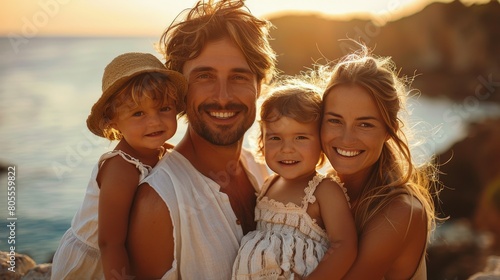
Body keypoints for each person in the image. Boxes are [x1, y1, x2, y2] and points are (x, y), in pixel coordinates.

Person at [125, 0, 277, 279]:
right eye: (204, 76)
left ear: (259, 86)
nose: (222, 96)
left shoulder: (264, 173)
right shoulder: (160, 203)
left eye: (239, 77)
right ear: (179, 91)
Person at [51, 52, 187, 280]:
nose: (154, 121)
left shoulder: (161, 152)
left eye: (164, 109)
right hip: (98, 262)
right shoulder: (121, 168)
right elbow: (110, 243)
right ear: (113, 121)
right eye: (138, 113)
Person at [320, 45, 442, 279]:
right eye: (335, 121)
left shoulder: (400, 212)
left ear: (388, 130)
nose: (346, 138)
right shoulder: (324, 191)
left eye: (365, 124)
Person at [232, 79, 357, 280]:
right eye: (275, 138)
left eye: (300, 137)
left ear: (322, 141)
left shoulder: (323, 190)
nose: (286, 148)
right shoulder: (268, 184)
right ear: (261, 141)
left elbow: (344, 246)